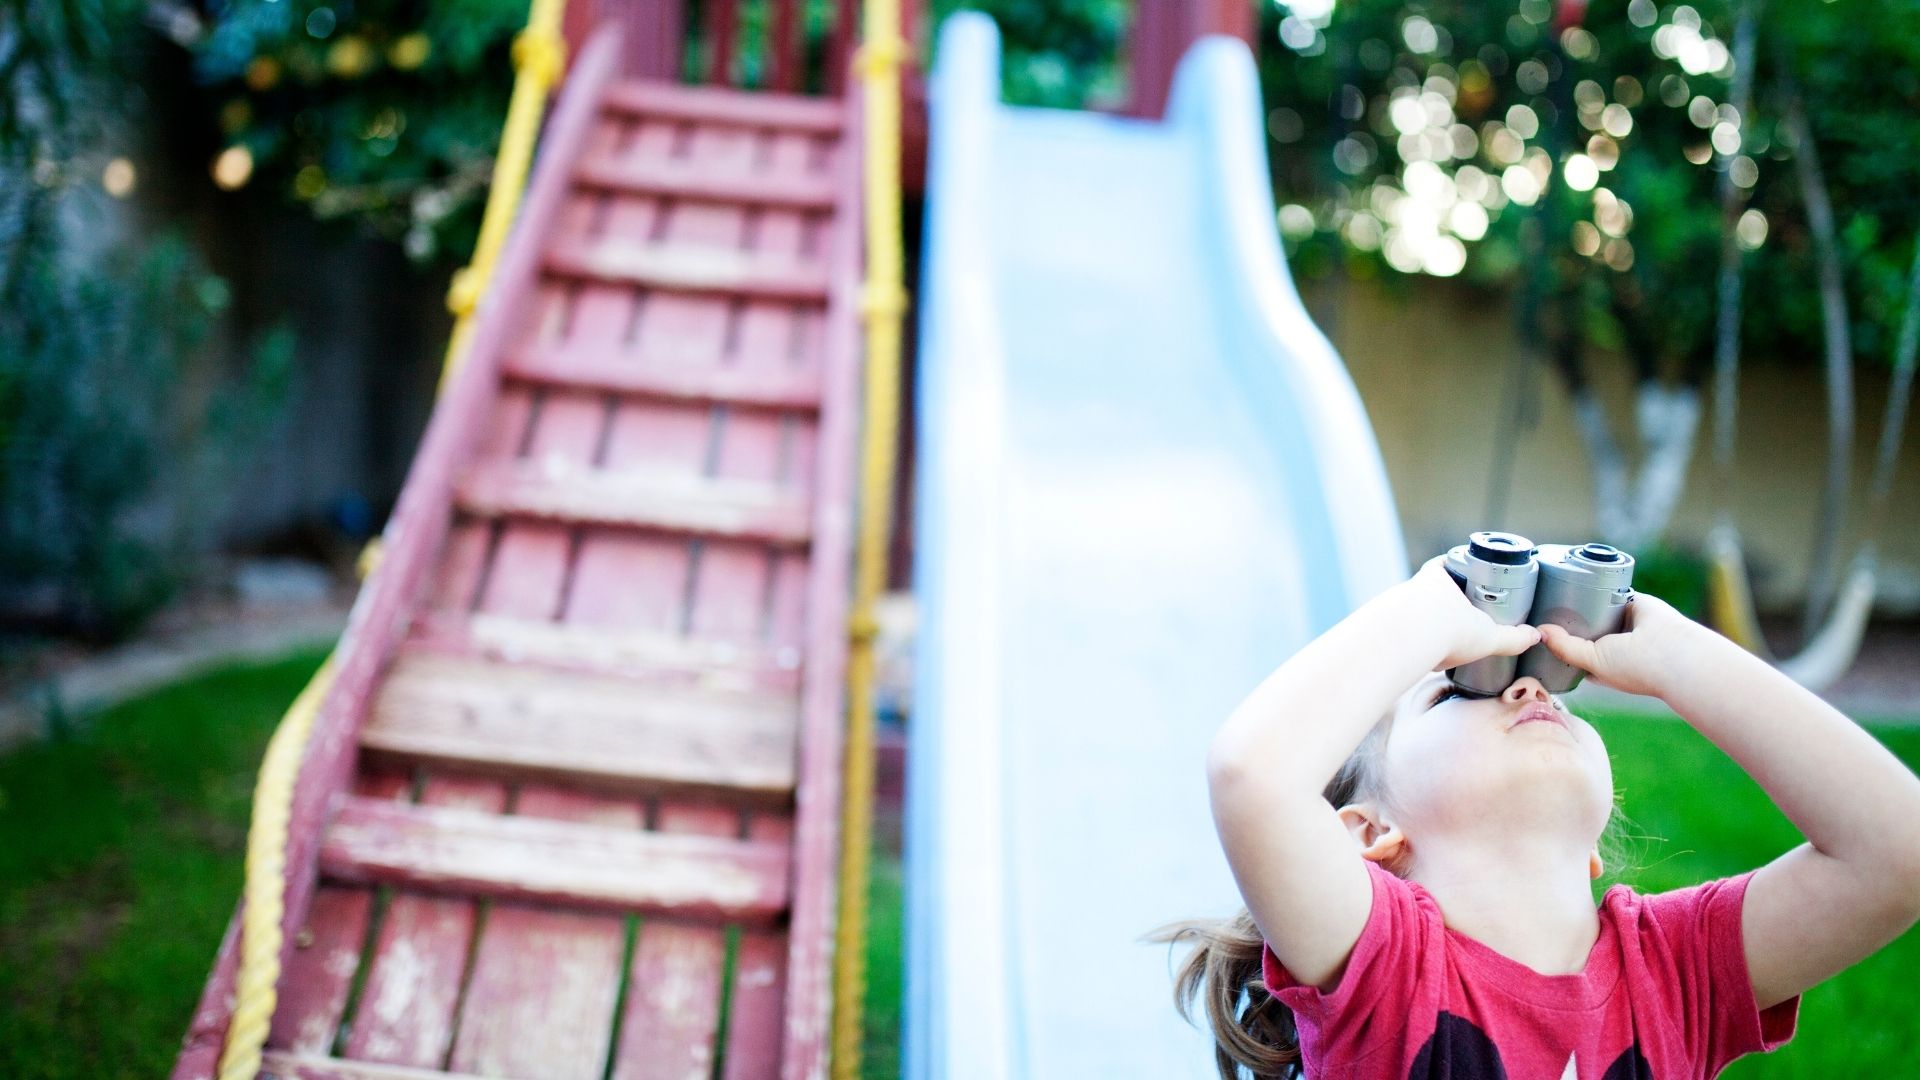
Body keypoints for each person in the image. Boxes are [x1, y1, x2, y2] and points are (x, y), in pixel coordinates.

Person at [1157, 556, 1920, 1079]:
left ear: (1594, 847)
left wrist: (1679, 656)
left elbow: (1898, 849)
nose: (1529, 691)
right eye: (1459, 689)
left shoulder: (1672, 972)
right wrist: (1434, 611)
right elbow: (1254, 777)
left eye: (1550, 688)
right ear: (1367, 836)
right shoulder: (1386, 972)